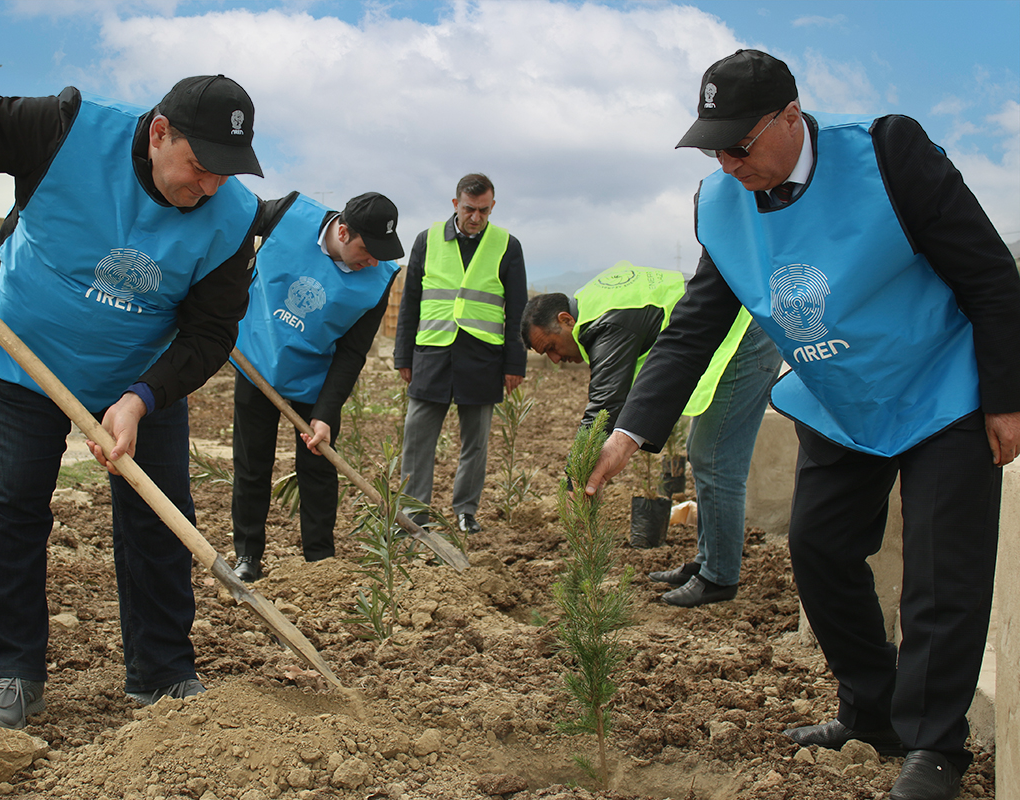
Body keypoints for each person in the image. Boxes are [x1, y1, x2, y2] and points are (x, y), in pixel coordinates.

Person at [584, 50, 1020, 800]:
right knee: (819, 550)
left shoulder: (888, 154)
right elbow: (694, 327)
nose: (728, 163)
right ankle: (872, 712)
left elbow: (987, 271)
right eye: (714, 148)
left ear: (791, 117)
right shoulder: (719, 204)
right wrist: (630, 431)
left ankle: (935, 748)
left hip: (940, 388)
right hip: (840, 400)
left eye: (740, 145)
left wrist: (1007, 396)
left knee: (941, 574)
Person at [0, 76, 266, 728]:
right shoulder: (66, 131)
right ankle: (14, 673)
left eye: (226, 172)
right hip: (24, 360)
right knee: (14, 506)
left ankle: (163, 674)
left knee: (159, 520)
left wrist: (139, 399)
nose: (210, 186)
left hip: (138, 378)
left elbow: (212, 332)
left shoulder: (235, 217)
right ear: (160, 133)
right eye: (199, 166)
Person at [521, 261, 780, 606]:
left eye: (550, 346)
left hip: (744, 337)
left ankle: (719, 578)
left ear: (566, 321)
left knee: (715, 458)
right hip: (732, 331)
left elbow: (604, 407)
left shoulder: (604, 321)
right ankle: (707, 563)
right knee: (702, 452)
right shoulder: (595, 302)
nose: (554, 359)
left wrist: (575, 478)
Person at [229, 191, 403, 582]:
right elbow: (230, 227)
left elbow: (352, 353)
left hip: (316, 379)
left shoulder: (378, 278)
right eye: (368, 248)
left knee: (318, 468)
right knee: (252, 465)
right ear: (342, 231)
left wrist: (325, 413)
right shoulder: (286, 214)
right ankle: (247, 556)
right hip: (257, 358)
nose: (374, 259)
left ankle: (320, 561)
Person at [393, 173, 526, 533]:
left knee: (476, 443)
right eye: (470, 209)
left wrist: (515, 364)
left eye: (484, 210)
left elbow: (517, 310)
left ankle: (466, 510)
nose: (476, 217)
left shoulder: (507, 246)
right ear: (456, 204)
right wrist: (403, 356)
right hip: (432, 355)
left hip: (483, 358)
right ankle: (413, 515)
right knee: (417, 439)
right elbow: (410, 304)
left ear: (492, 207)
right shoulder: (427, 240)